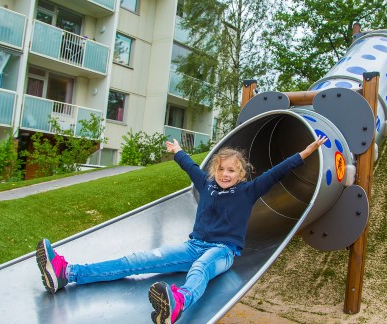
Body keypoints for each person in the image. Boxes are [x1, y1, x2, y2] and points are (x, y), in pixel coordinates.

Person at [36, 135, 328, 324]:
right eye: (222, 170)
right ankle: (68, 273)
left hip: (222, 251)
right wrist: (177, 152)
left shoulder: (249, 190)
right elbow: (190, 167)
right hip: (193, 245)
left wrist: (304, 153)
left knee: (200, 269)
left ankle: (178, 303)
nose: (226, 175)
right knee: (137, 261)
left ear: (241, 174)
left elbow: (277, 173)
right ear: (215, 171)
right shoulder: (207, 184)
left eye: (232, 171)